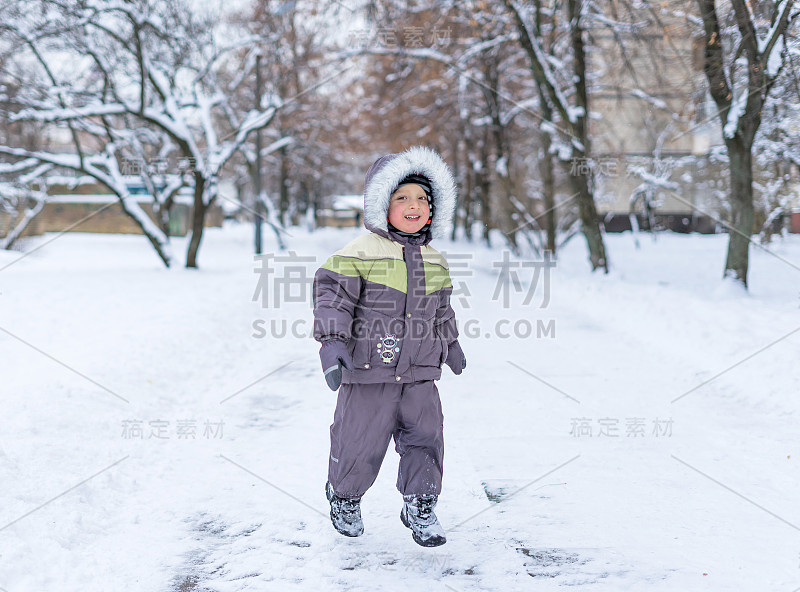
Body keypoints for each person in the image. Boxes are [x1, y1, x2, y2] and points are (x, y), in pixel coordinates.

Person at [312, 146, 467, 547]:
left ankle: (421, 504)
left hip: (419, 374)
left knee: (427, 438)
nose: (413, 205)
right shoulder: (358, 253)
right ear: (382, 204)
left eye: (421, 198)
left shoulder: (436, 261)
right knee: (358, 440)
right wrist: (332, 344)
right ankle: (344, 496)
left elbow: (442, 311)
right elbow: (332, 299)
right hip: (368, 372)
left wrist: (450, 343)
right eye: (402, 197)